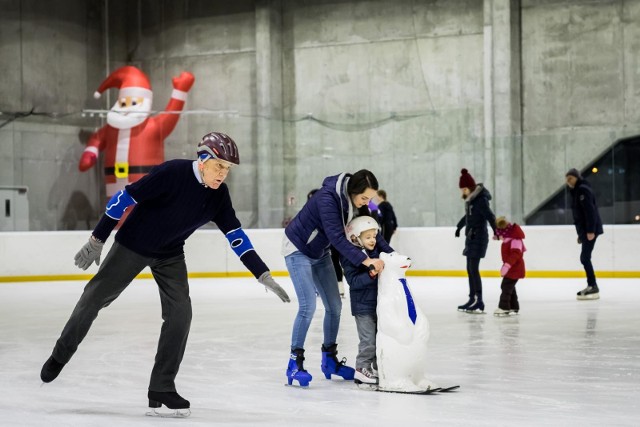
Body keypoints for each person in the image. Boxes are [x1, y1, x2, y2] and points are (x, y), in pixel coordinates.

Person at [40, 132, 290, 418]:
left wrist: (262, 273)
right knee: (95, 298)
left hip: (170, 253)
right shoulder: (172, 172)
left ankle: (161, 386)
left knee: (180, 314)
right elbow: (124, 198)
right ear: (203, 159)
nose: (223, 174)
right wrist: (98, 239)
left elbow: (235, 235)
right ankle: (61, 354)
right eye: (219, 166)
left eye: (228, 169)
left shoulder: (218, 195)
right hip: (133, 245)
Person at [282, 170, 392, 387]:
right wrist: (365, 260)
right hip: (297, 249)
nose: (366, 203)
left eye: (369, 199)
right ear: (353, 191)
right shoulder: (327, 198)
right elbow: (336, 236)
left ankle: (329, 360)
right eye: (364, 198)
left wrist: (391, 254)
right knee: (308, 307)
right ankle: (295, 363)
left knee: (334, 306)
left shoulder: (356, 203)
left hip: (319, 251)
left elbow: (371, 230)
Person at [341, 216, 383, 386]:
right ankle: (361, 369)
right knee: (368, 341)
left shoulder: (373, 252)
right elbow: (354, 282)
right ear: (355, 238)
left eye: (374, 236)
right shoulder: (350, 257)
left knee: (379, 338)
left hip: (375, 304)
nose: (373, 240)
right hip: (362, 307)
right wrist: (371, 274)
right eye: (368, 237)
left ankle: (375, 367)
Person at [454, 168, 496, 313]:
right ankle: (472, 298)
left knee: (474, 269)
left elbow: (490, 216)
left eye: (463, 189)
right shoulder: (472, 201)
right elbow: (467, 217)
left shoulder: (480, 201)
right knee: (470, 269)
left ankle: (479, 300)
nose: (462, 192)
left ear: (468, 188)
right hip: (471, 237)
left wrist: (497, 231)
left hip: (479, 237)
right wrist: (459, 227)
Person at [566, 168, 603, 300]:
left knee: (584, 258)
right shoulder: (577, 191)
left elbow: (589, 211)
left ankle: (593, 285)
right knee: (585, 258)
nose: (568, 181)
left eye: (570, 178)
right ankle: (592, 285)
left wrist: (590, 231)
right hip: (586, 230)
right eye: (567, 179)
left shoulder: (582, 190)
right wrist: (581, 235)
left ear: (576, 177)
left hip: (591, 230)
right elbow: (580, 214)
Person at [308, 188, 345, 298]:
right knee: (318, 263)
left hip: (334, 240)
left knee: (335, 262)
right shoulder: (312, 211)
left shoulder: (330, 208)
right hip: (321, 242)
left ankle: (339, 287)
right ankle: (318, 287)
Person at [494, 217, 526, 317]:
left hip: (515, 268)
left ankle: (504, 307)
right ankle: (513, 306)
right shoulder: (510, 235)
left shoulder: (515, 239)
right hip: (512, 268)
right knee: (510, 287)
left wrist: (506, 266)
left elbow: (515, 254)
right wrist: (498, 237)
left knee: (506, 287)